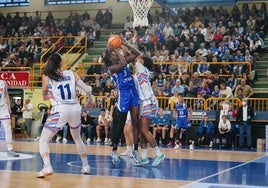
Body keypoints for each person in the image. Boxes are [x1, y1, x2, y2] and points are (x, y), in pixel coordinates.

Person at [36, 53, 92, 178]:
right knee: (77, 138)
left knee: (43, 140)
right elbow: (88, 89)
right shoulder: (71, 73)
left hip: (60, 109)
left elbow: (44, 95)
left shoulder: (47, 76)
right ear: (61, 63)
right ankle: (86, 166)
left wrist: (48, 95)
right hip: (75, 109)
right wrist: (90, 99)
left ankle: (47, 166)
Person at [102, 46, 140, 164]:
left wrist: (124, 44)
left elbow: (136, 53)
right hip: (123, 96)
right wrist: (116, 50)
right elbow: (123, 63)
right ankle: (114, 150)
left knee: (135, 123)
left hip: (133, 92)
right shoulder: (112, 68)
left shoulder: (121, 61)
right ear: (111, 59)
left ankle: (135, 151)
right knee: (121, 124)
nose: (115, 55)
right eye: (113, 55)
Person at [128, 49, 165, 166]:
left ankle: (159, 154)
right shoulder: (137, 73)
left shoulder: (142, 69)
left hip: (149, 102)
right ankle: (144, 157)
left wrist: (122, 44)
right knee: (142, 131)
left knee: (144, 130)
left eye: (139, 59)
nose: (137, 60)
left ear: (142, 62)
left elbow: (133, 56)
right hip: (143, 103)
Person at [0, 79, 20, 157]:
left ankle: (10, 149)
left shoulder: (3, 83)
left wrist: (9, 107)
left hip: (3, 108)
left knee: (8, 128)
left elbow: (6, 95)